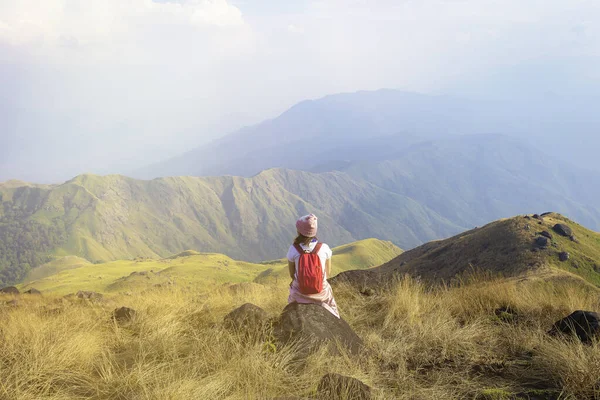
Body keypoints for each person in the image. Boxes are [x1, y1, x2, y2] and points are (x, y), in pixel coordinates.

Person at [286, 214, 340, 318]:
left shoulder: (293, 249)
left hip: (299, 292)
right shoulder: (324, 248)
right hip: (321, 293)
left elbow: (292, 275)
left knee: (291, 301)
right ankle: (335, 317)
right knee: (333, 309)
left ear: (299, 231)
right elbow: (327, 273)